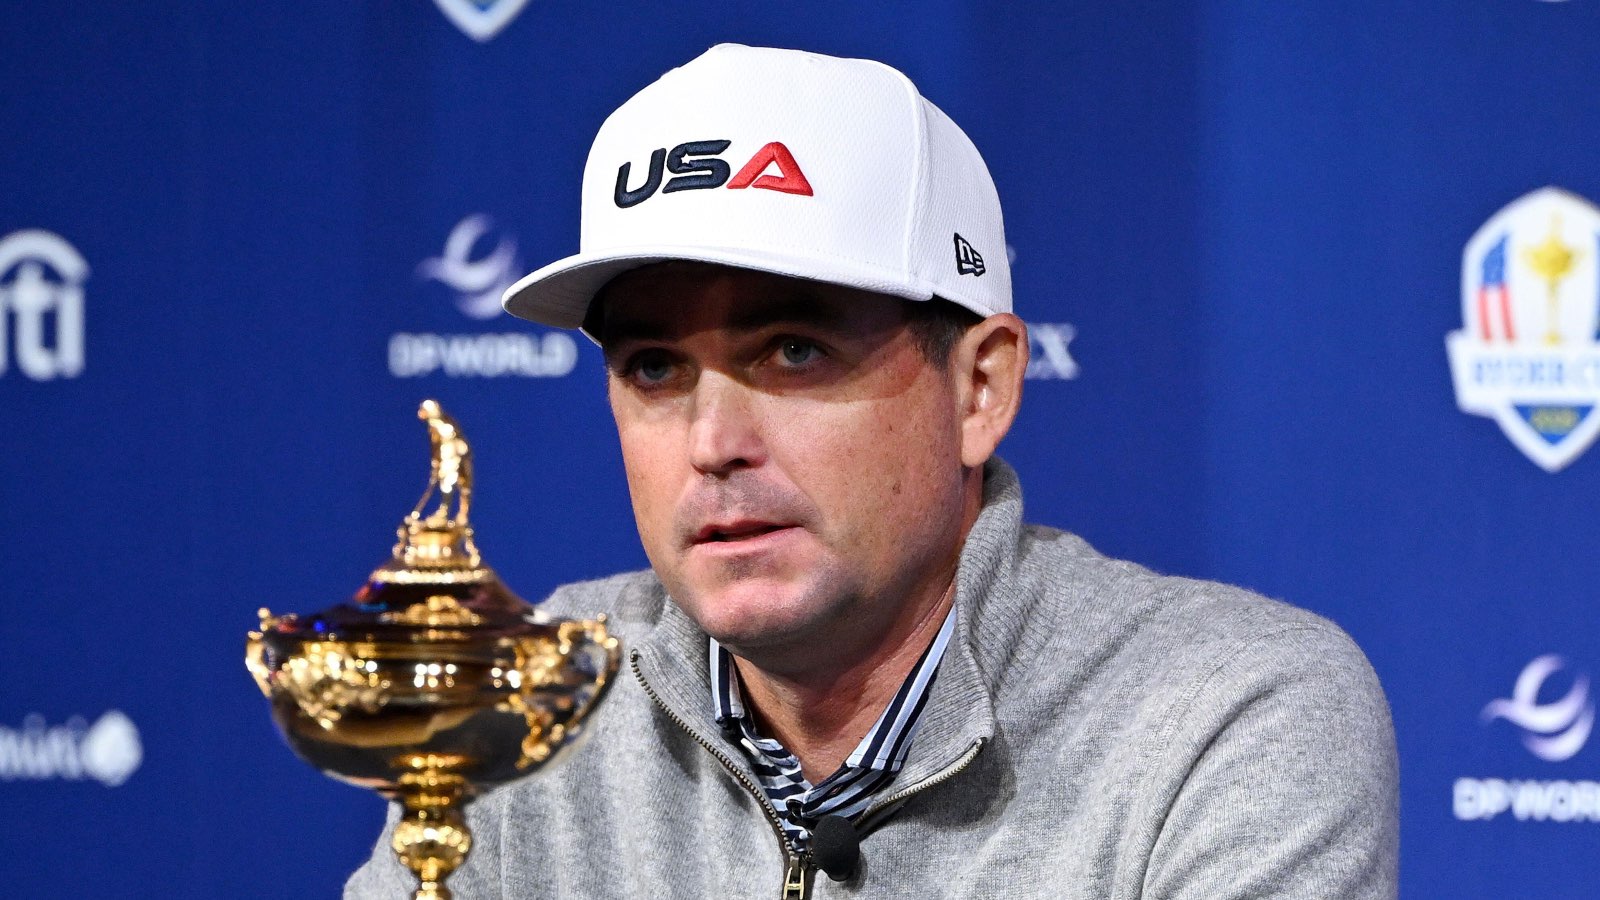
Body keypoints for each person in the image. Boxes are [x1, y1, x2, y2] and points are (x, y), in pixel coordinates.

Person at [347, 43, 1398, 899]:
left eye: (794, 350)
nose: (714, 440)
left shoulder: (1225, 714)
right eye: (654, 367)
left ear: (979, 388)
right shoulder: (531, 696)